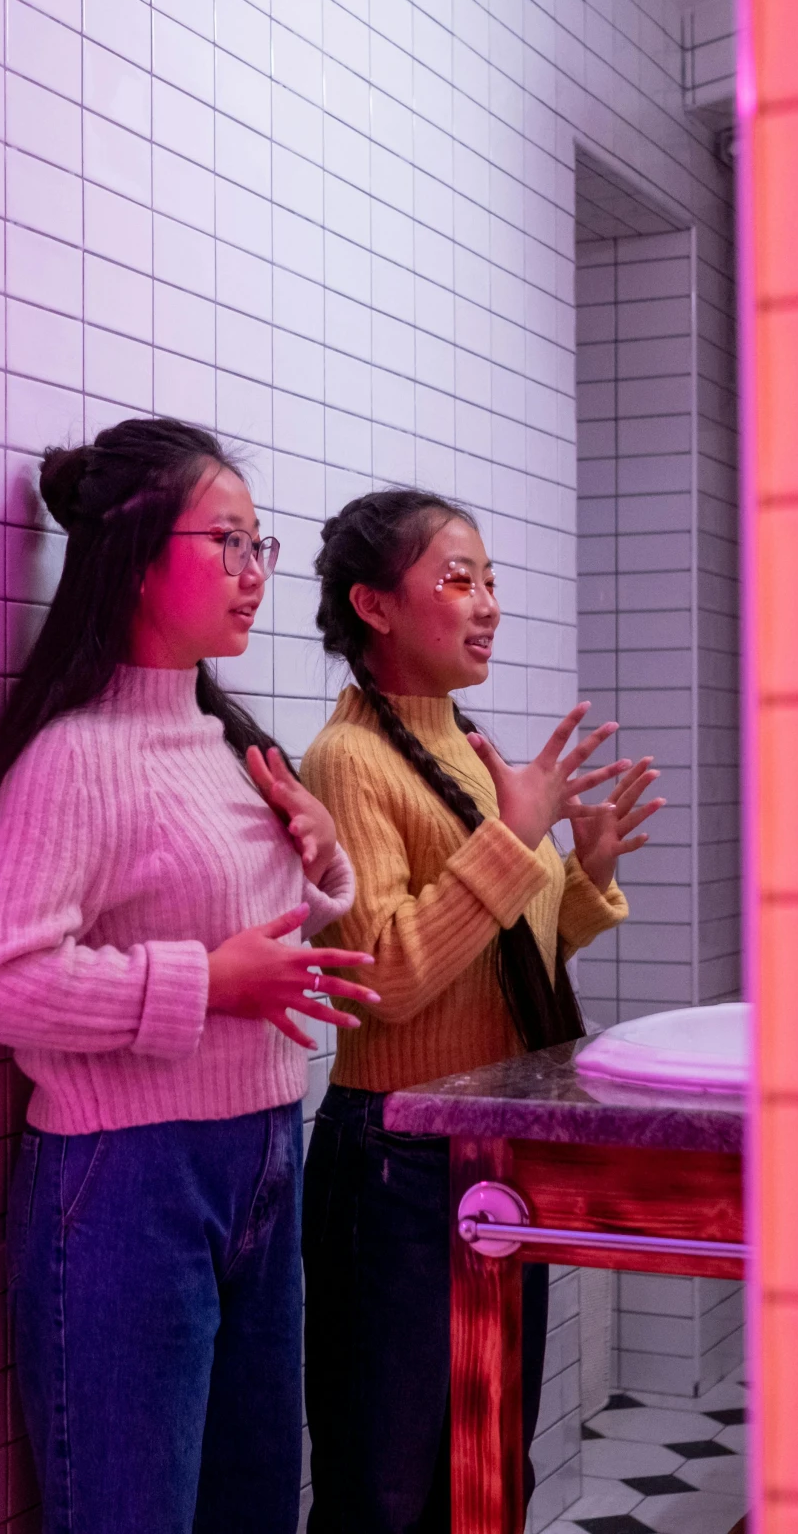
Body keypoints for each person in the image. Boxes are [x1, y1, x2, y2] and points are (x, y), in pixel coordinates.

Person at [0, 418, 382, 1534]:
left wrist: (319, 859)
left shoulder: (222, 737)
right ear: (137, 555)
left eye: (258, 546)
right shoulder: (74, 757)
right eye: (225, 543)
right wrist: (203, 984)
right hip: (125, 1181)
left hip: (262, 1151)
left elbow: (248, 926)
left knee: (251, 1509)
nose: (253, 575)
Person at [299, 488, 664, 1533]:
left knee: (486, 1473)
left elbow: (502, 943)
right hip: (395, 1161)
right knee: (386, 1488)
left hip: (486, 1149)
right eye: (457, 579)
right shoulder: (348, 761)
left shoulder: (463, 743)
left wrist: (579, 872)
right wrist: (516, 839)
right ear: (373, 605)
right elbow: (383, 976)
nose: (488, 603)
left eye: (490, 579)